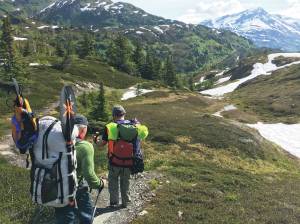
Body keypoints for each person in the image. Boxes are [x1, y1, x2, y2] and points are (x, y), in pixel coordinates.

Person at [55, 114, 104, 224]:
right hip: (77, 186)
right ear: (83, 129)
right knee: (86, 217)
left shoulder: (57, 143)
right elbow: (89, 175)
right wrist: (100, 183)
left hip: (58, 186)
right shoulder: (85, 147)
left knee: (64, 219)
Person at [98, 105, 148, 208]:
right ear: (124, 114)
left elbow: (101, 145)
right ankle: (125, 203)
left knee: (113, 182)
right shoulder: (136, 126)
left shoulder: (111, 126)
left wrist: (95, 141)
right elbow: (140, 140)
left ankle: (113, 203)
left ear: (113, 115)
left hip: (114, 161)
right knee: (126, 182)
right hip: (129, 162)